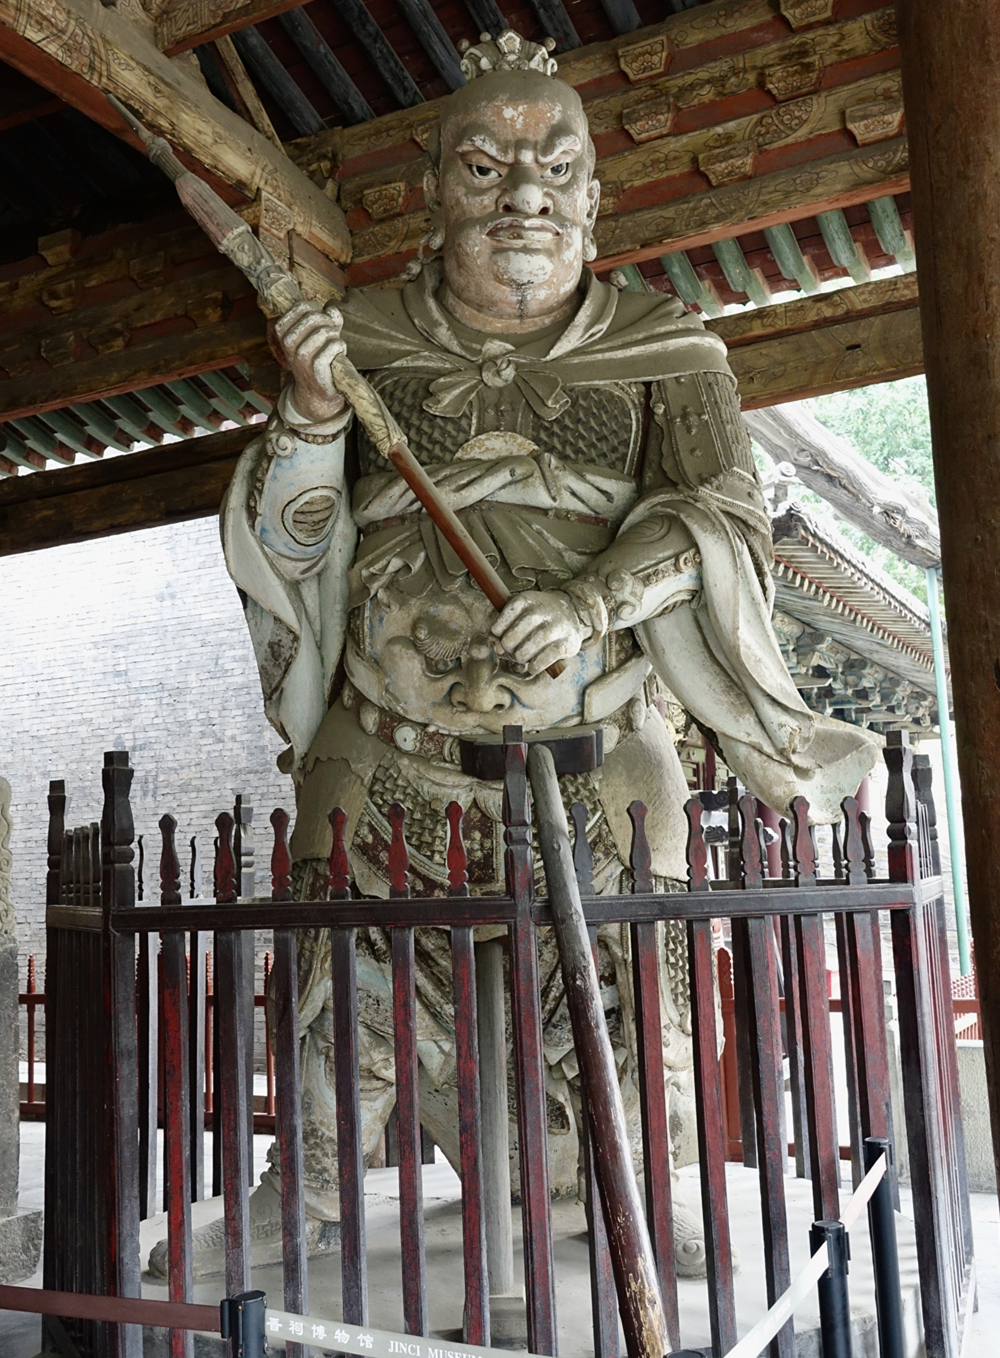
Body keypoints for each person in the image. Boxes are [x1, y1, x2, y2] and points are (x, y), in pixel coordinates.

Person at [153, 28, 877, 1277]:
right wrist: (312, 416)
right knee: (338, 1000)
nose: (523, 194)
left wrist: (596, 598)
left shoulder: (665, 348)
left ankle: (638, 1182)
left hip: (595, 763)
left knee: (633, 990)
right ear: (432, 194)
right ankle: (305, 1185)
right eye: (484, 168)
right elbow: (287, 543)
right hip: (386, 755)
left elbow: (725, 519)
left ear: (595, 200)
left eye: (556, 168)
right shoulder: (359, 339)